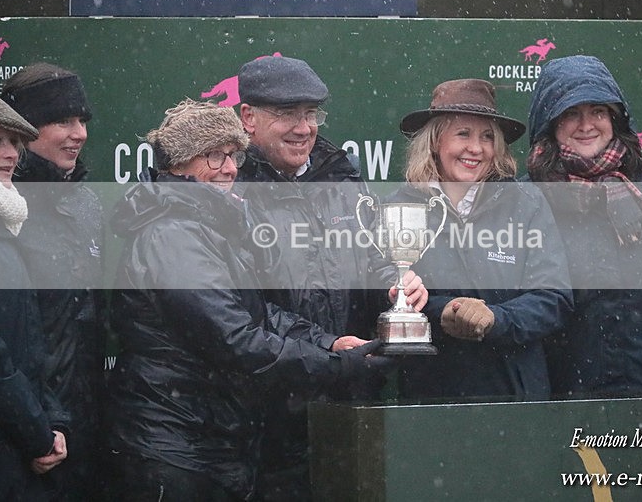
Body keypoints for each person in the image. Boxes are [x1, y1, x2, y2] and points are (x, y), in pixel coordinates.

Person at [107, 99, 391, 501]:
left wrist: (328, 342)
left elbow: (258, 313)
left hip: (210, 441)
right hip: (175, 447)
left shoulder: (210, 223)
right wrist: (335, 364)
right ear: (177, 164)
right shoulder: (171, 234)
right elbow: (236, 340)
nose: (228, 168)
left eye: (232, 154)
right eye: (213, 155)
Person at [235, 55, 427, 500]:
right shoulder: (231, 187)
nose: (303, 128)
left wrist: (398, 283)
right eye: (286, 114)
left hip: (350, 397)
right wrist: (325, 346)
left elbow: (376, 256)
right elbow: (245, 308)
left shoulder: (341, 173)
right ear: (248, 117)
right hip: (268, 409)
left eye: (310, 113)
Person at [525, 55, 642, 399]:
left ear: (615, 118)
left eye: (598, 111)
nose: (586, 125)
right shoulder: (528, 196)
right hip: (567, 402)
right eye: (571, 113)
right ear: (550, 123)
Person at [389, 78, 573, 400]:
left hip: (516, 396)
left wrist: (496, 319)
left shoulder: (526, 202)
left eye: (487, 137)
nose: (476, 148)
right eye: (463, 134)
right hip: (431, 397)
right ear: (435, 141)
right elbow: (385, 290)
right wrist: (444, 311)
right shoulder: (400, 205)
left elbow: (553, 298)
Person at [1, 62, 106, 500]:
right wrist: (37, 427)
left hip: (80, 429)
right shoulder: (10, 207)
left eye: (82, 120)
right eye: (62, 120)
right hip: (24, 434)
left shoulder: (86, 203)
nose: (78, 133)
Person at [0, 97, 70, 501]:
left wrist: (51, 425)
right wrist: (38, 434)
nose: (10, 154)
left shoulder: (7, 225)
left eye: (14, 142)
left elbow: (29, 346)